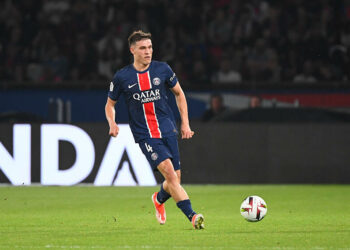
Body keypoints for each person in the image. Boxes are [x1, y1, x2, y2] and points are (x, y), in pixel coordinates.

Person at [105, 30, 204, 229]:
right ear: (132, 50)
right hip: (145, 134)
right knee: (169, 172)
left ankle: (158, 199)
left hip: (167, 129)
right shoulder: (122, 77)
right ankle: (193, 216)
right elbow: (110, 105)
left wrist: (185, 122)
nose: (148, 52)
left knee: (174, 179)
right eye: (143, 48)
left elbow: (179, 94)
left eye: (150, 47)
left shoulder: (163, 69)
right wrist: (112, 123)